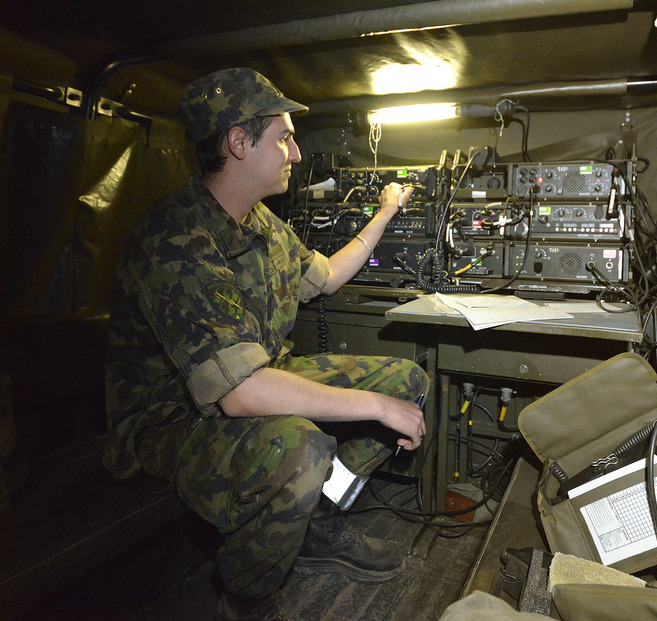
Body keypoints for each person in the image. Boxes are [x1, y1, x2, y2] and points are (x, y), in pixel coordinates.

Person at [103, 67, 428, 621]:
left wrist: (386, 212)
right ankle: (245, 597)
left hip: (253, 385)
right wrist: (375, 407)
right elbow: (238, 394)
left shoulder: (262, 225)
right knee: (300, 446)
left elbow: (324, 277)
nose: (296, 154)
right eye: (284, 137)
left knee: (408, 381)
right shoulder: (175, 238)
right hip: (173, 422)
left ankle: (315, 520)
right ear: (238, 142)